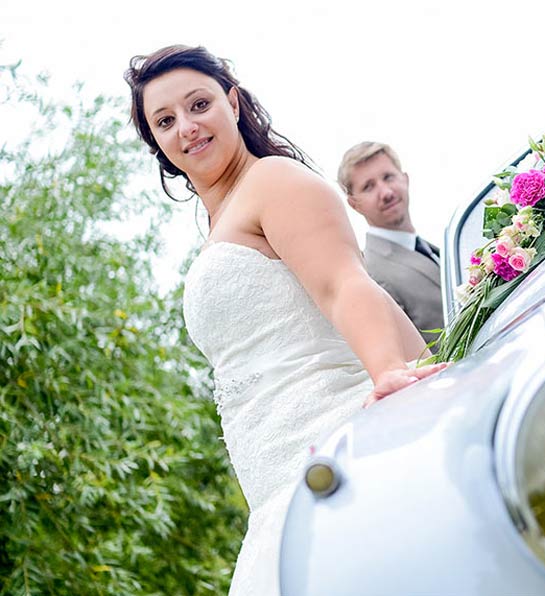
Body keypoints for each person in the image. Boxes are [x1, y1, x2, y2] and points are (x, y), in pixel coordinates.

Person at [124, 46, 446, 595]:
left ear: (232, 99)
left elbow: (344, 284)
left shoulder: (275, 181)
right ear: (156, 141)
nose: (187, 127)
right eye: (165, 120)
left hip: (331, 439)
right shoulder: (220, 219)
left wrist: (392, 372)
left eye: (199, 104)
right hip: (273, 479)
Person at [338, 142, 444, 345]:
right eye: (368, 187)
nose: (386, 192)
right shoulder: (371, 275)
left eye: (388, 177)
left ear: (405, 179)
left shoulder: (438, 247)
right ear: (354, 204)